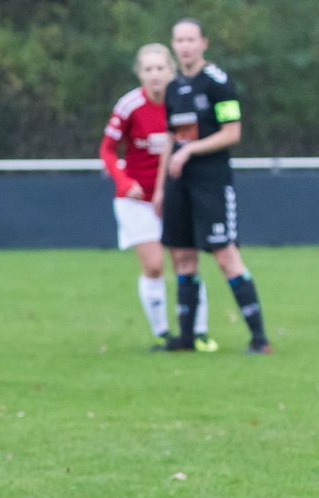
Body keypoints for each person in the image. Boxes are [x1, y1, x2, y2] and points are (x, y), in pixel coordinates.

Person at [154, 17, 271, 354]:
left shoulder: (218, 83)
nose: (185, 46)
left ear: (203, 43)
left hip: (211, 183)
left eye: (191, 39)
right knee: (183, 259)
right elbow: (169, 139)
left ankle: (259, 338)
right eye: (179, 40)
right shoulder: (173, 88)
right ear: (174, 46)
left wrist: (190, 149)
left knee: (225, 257)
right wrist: (161, 187)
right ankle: (186, 338)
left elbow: (233, 132)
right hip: (179, 184)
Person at [100, 43, 216, 352]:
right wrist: (124, 182)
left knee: (186, 263)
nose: (155, 75)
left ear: (171, 70)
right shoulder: (129, 106)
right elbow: (107, 150)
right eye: (148, 69)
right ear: (139, 73)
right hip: (137, 201)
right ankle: (162, 332)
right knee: (153, 265)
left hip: (174, 196)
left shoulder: (182, 103)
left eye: (160, 68)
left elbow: (185, 146)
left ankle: (197, 331)